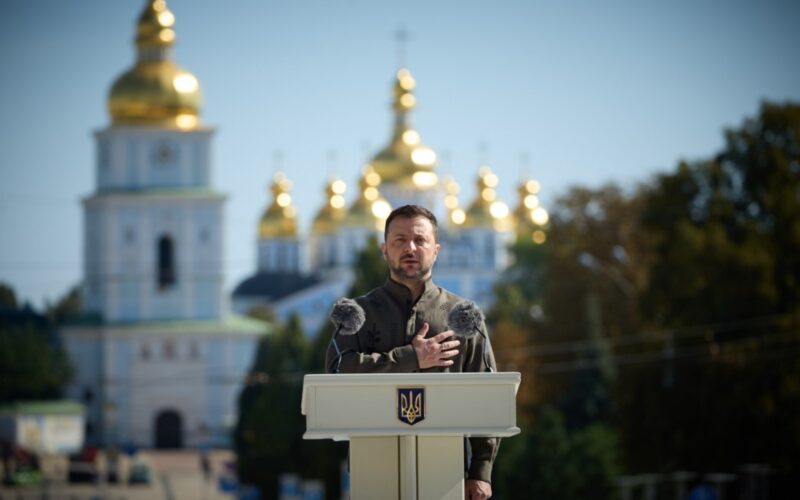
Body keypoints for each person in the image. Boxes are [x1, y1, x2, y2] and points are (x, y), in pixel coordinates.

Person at [326, 204, 499, 500]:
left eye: (420, 240)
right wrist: (411, 358)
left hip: (446, 472)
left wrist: (480, 471)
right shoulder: (357, 314)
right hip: (374, 467)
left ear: (437, 249)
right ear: (384, 249)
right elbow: (337, 372)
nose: (410, 247)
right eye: (399, 240)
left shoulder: (463, 315)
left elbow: (488, 395)